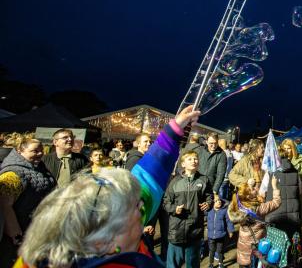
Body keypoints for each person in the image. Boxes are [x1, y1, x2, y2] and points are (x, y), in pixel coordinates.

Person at [16, 106, 201, 268]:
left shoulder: (116, 222)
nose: (141, 208)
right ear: (106, 240)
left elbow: (145, 180)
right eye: (136, 208)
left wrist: (174, 130)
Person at [0, 136, 55, 267]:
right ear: (20, 151)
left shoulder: (39, 168)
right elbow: (4, 205)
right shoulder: (12, 174)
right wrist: (17, 237)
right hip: (18, 240)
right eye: (35, 151)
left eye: (42, 150)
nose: (40, 153)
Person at [228, 176, 281, 267]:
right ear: (249, 196)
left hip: (243, 248)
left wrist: (248, 184)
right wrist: (275, 187)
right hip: (255, 248)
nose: (255, 188)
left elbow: (240, 195)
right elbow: (277, 202)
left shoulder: (237, 207)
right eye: (252, 189)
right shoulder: (258, 209)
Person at [264, 149, 302, 237]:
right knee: (292, 244)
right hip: (293, 214)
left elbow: (263, 192)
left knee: (278, 245)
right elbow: (300, 192)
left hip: (275, 215)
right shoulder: (295, 171)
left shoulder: (271, 172)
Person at [197, 133, 227, 205]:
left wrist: (215, 189)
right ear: (206, 142)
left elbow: (221, 174)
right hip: (197, 184)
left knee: (206, 208)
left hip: (210, 187)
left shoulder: (221, 154)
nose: (213, 146)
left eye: (215, 143)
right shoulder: (200, 150)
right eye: (211, 143)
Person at [207, 198, 234, 268]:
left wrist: (230, 230)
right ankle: (211, 263)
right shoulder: (209, 211)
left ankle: (221, 263)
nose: (219, 202)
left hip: (221, 235)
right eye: (216, 201)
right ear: (213, 203)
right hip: (211, 235)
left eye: (220, 201)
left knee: (220, 250)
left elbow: (229, 221)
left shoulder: (224, 211)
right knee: (211, 251)